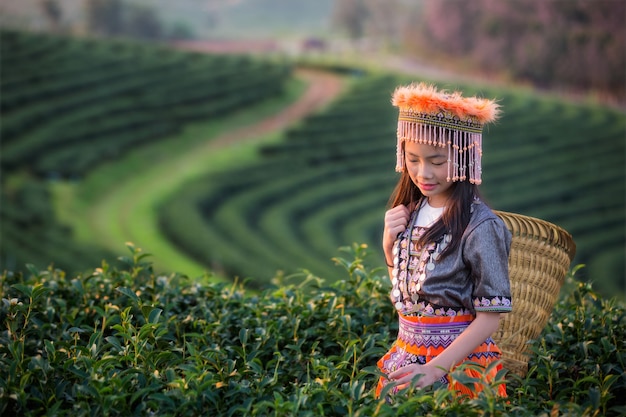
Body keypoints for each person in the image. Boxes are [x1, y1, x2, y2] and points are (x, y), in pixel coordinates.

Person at [376, 83, 512, 398]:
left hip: (461, 369)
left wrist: (436, 368)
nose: (423, 173)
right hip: (406, 359)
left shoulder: (481, 226)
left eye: (437, 162)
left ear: (465, 156)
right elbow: (407, 304)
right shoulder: (410, 212)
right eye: (413, 159)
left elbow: (490, 318)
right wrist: (388, 247)